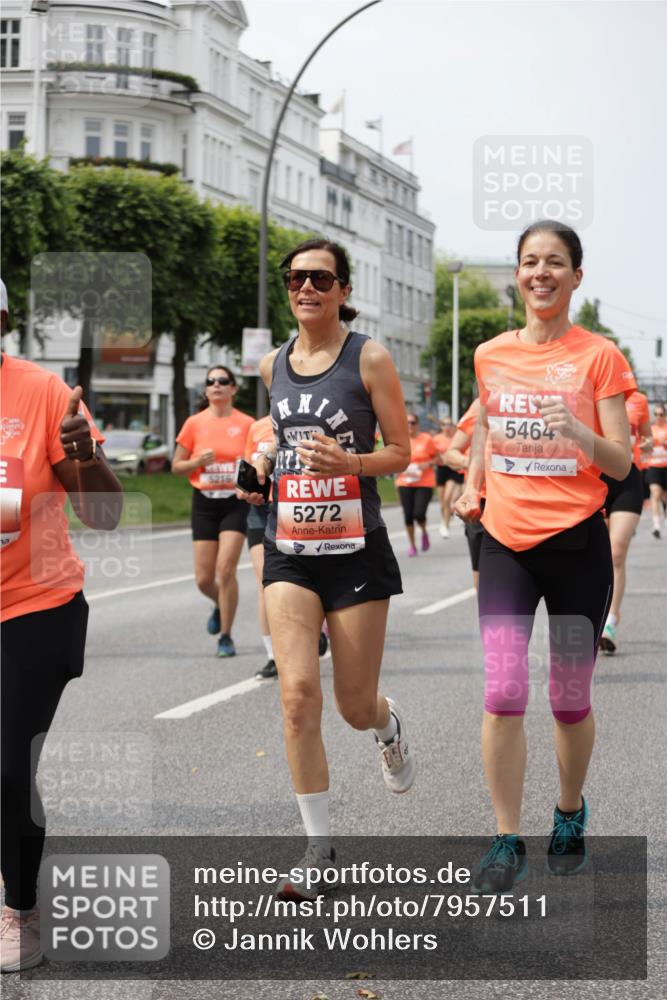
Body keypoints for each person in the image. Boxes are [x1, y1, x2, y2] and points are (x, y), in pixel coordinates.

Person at [455, 220, 635, 893]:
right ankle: (505, 837)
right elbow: (485, 429)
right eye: (529, 262)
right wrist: (473, 480)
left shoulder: (600, 357)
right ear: (517, 275)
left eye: (554, 262)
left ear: (575, 276)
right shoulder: (489, 354)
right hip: (505, 543)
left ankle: (567, 812)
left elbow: (620, 462)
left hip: (576, 547)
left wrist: (579, 432)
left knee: (566, 699)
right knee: (502, 691)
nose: (540, 273)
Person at [237, 238, 414, 900]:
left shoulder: (368, 356)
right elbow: (278, 434)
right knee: (296, 696)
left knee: (351, 704)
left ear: (342, 288)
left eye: (319, 278)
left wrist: (351, 465)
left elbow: (400, 450)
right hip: (290, 547)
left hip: (356, 549)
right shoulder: (271, 362)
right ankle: (317, 848)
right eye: (294, 278)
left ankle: (386, 724)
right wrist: (262, 460)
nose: (304, 287)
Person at [1, 278, 123, 971]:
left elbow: (104, 516)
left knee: (7, 768)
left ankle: (20, 907)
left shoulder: (41, 393)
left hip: (33, 605)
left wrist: (85, 455)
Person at [172, 366, 253, 657]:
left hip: (235, 502)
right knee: (204, 579)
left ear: (233, 388)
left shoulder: (246, 424)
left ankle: (226, 636)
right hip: (204, 502)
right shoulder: (194, 423)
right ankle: (221, 603)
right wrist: (196, 463)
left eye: (223, 381)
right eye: (210, 382)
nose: (216, 385)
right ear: (205, 391)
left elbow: (259, 461)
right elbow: (176, 465)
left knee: (226, 568)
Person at [599, 388, 653, 653]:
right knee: (597, 555)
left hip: (627, 479)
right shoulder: (588, 392)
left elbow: (647, 436)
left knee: (616, 551)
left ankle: (611, 620)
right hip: (594, 477)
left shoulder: (639, 400)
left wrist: (647, 444)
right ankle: (593, 614)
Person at [444, 398, 483, 589]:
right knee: (481, 570)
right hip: (481, 501)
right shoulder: (481, 404)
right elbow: (450, 453)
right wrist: (476, 464)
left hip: (522, 503)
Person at [395, 413, 438, 556]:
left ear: (417, 424)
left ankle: (424, 533)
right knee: (408, 517)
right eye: (407, 423)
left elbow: (438, 457)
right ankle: (412, 545)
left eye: (413, 423)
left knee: (419, 514)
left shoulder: (427, 439)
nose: (410, 426)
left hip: (424, 482)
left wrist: (427, 464)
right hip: (405, 482)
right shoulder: (399, 440)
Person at [433, 417, 463, 538]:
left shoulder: (456, 439)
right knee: (442, 502)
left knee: (447, 497)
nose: (447, 427)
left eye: (449, 424)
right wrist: (439, 457)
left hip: (453, 470)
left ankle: (445, 525)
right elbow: (432, 454)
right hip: (441, 470)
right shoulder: (436, 439)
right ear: (441, 426)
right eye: (445, 424)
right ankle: (444, 519)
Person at [646, 403, 667, 538]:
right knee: (655, 493)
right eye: (656, 414)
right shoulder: (650, 430)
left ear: (665, 415)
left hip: (666, 466)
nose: (658, 417)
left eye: (661, 414)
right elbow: (644, 447)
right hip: (653, 466)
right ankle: (656, 526)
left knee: (665, 497)